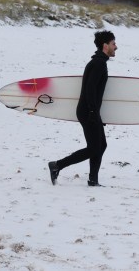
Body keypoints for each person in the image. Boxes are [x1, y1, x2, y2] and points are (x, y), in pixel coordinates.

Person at [48, 30, 117, 187]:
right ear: (105, 46)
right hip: (88, 111)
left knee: (101, 145)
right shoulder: (98, 64)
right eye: (113, 44)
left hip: (90, 110)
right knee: (94, 148)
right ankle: (57, 165)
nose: (116, 47)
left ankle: (93, 179)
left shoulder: (99, 62)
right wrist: (93, 112)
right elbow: (90, 89)